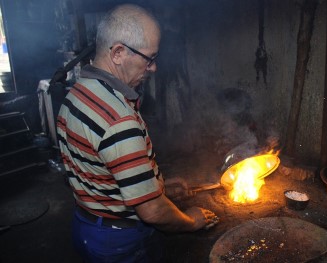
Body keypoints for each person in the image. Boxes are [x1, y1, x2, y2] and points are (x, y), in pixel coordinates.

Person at [56, 4, 218, 263]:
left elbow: (98, 171)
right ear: (118, 52)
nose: (153, 68)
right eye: (149, 58)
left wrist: (155, 186)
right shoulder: (118, 120)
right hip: (120, 242)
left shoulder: (77, 94)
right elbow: (152, 212)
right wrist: (191, 221)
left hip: (86, 225)